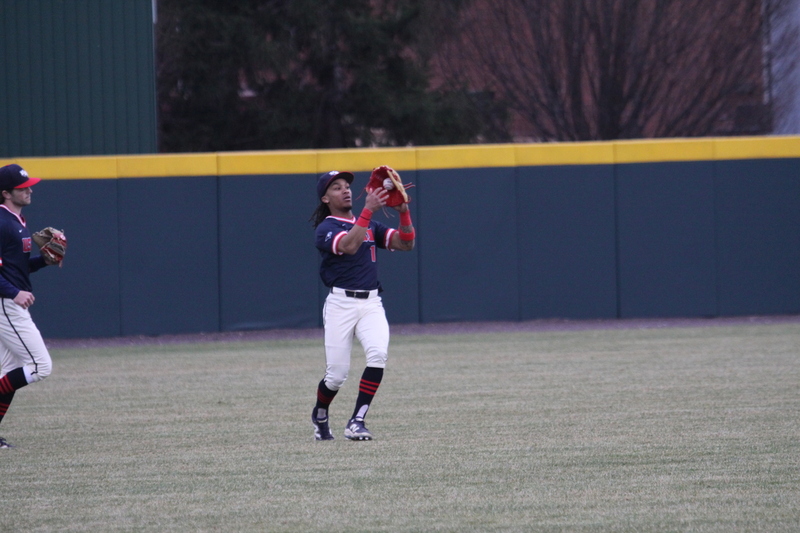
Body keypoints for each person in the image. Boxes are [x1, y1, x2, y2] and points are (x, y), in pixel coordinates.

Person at [309, 170, 416, 441]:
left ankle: (357, 420)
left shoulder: (369, 223)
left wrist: (403, 211)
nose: (345, 190)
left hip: (371, 302)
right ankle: (320, 413)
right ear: (325, 198)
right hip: (340, 304)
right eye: (336, 187)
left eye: (346, 186)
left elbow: (406, 244)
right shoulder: (326, 228)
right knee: (336, 376)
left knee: (378, 355)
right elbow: (348, 246)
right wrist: (368, 211)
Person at [0, 164, 59, 449]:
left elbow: (18, 268)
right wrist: (13, 293)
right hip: (5, 303)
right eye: (22, 188)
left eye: (29, 185)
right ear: (5, 193)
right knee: (40, 366)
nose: (29, 190)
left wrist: (44, 261)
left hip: (9, 300)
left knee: (9, 371)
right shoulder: (1, 221)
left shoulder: (16, 221)